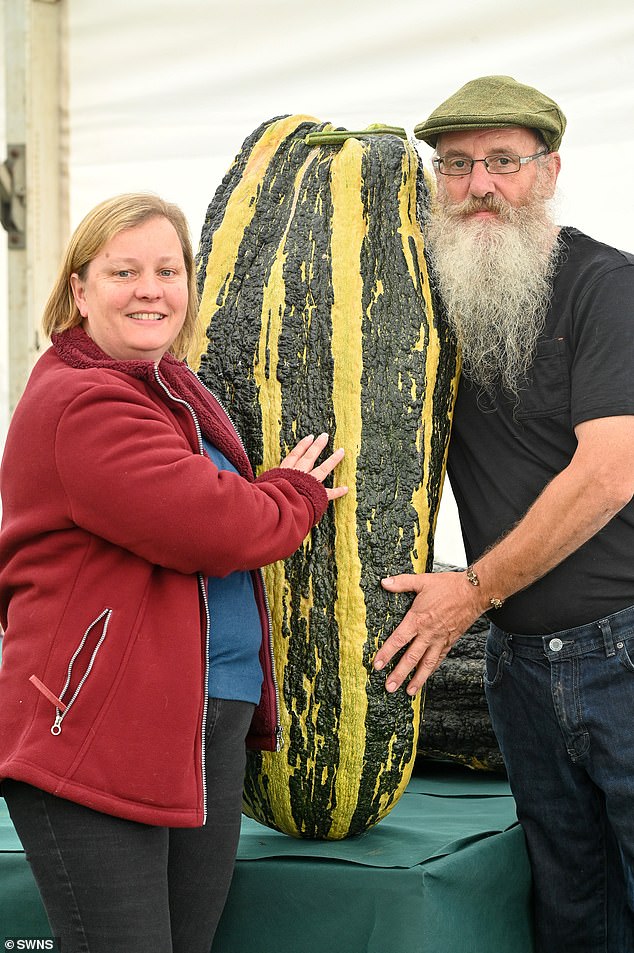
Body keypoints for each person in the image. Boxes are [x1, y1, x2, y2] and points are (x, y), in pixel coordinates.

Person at [0, 192, 347, 953]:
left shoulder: (173, 388)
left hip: (200, 723)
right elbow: (214, 525)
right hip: (94, 729)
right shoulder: (80, 402)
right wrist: (292, 493)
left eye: (167, 269)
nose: (150, 288)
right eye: (123, 271)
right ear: (80, 290)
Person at [373, 76, 634, 952]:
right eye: (455, 165)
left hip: (624, 653)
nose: (479, 184)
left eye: (503, 162)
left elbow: (610, 472)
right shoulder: (429, 305)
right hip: (517, 671)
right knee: (571, 918)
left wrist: (468, 591)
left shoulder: (608, 287)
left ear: (549, 170)